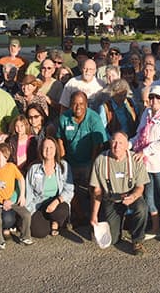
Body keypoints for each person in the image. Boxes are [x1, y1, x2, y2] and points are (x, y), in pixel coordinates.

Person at [130, 85, 160, 245]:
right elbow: (139, 134)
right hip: (146, 164)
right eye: (151, 97)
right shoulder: (146, 113)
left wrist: (145, 151)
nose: (154, 100)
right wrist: (129, 145)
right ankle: (156, 227)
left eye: (158, 97)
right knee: (149, 197)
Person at [89, 131, 150, 255]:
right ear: (110, 143)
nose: (117, 146)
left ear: (127, 145)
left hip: (130, 196)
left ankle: (137, 240)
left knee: (142, 208)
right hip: (111, 199)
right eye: (114, 142)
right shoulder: (101, 160)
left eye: (121, 143)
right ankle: (119, 224)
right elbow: (97, 191)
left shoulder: (135, 159)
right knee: (112, 240)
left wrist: (133, 196)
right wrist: (94, 215)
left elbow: (140, 187)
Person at [57, 91, 107, 224]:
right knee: (67, 186)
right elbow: (60, 140)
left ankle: (93, 216)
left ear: (86, 105)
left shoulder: (94, 118)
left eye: (81, 104)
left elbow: (98, 145)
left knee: (92, 187)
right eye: (74, 104)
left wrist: (92, 165)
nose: (78, 107)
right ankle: (79, 215)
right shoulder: (64, 118)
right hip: (71, 160)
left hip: (89, 159)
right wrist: (63, 161)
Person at [25, 136, 74, 238]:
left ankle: (55, 223)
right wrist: (29, 212)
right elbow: (28, 192)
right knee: (39, 232)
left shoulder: (64, 166)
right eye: (45, 148)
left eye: (51, 147)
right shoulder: (34, 169)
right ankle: (49, 223)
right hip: (39, 204)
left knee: (60, 212)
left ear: (56, 149)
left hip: (57, 203)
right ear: (41, 150)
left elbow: (69, 190)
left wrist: (56, 201)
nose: (48, 150)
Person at [0, 142, 33, 249]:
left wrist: (22, 195)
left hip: (10, 198)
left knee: (26, 214)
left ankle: (25, 236)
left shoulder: (11, 167)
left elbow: (21, 179)